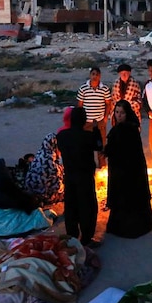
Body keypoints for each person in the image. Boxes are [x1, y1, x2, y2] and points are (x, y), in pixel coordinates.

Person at [104, 100, 152, 238]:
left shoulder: (125, 130)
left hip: (126, 171)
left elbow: (116, 150)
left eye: (122, 113)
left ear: (127, 114)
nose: (119, 115)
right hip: (127, 170)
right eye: (117, 112)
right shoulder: (129, 128)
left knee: (126, 197)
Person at [56, 106, 103, 248]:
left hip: (69, 176)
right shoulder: (87, 137)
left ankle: (72, 235)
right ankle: (87, 238)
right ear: (83, 120)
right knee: (87, 207)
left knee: (71, 206)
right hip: (85, 177)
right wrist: (95, 129)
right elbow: (99, 146)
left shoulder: (61, 136)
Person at [0, 158, 56, 237]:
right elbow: (22, 202)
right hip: (2, 226)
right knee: (36, 213)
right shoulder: (5, 187)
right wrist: (34, 202)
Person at [77, 67, 113, 168]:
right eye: (93, 74)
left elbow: (108, 104)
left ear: (100, 76)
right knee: (87, 145)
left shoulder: (104, 89)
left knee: (101, 145)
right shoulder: (83, 88)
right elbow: (80, 105)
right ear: (90, 75)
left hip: (99, 121)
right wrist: (80, 120)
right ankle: (89, 166)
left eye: (97, 74)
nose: (95, 76)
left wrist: (105, 118)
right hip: (87, 122)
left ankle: (102, 167)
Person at [23, 130, 65, 206]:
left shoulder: (40, 154)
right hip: (42, 196)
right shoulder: (50, 162)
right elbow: (58, 187)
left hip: (31, 191)